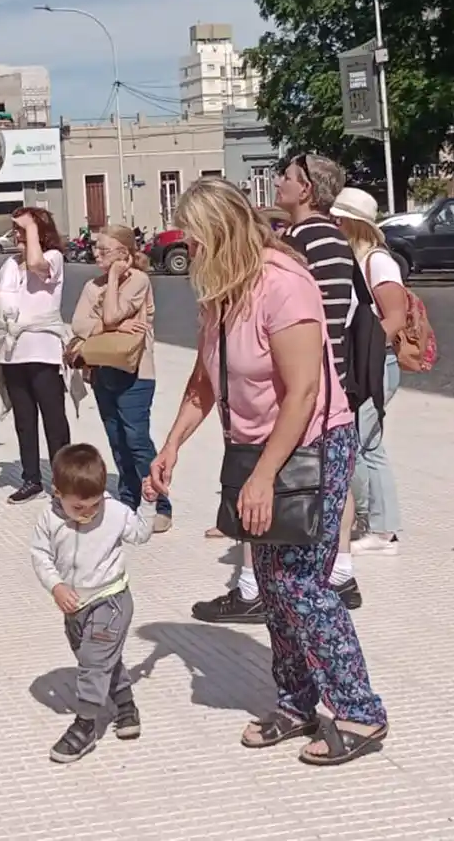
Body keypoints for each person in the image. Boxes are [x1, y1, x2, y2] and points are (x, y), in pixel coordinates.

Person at [147, 177, 387, 765]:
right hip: (255, 451)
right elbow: (205, 380)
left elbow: (303, 392)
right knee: (274, 589)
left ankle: (360, 711)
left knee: (304, 584)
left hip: (313, 447)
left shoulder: (284, 284)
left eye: (194, 238)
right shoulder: (220, 292)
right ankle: (296, 701)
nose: (187, 250)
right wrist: (171, 444)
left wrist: (264, 478)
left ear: (222, 232)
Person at [192, 152, 362, 623]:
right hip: (305, 393)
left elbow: (304, 336)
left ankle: (295, 586)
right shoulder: (322, 238)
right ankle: (335, 574)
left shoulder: (298, 250)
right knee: (291, 573)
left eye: (286, 176)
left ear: (307, 188)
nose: (278, 183)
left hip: (305, 403)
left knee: (297, 580)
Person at [29, 443, 153, 764]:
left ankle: (85, 725)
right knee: (98, 659)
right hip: (74, 606)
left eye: (95, 504)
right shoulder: (49, 518)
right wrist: (55, 586)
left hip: (111, 600)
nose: (88, 513)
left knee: (93, 661)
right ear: (57, 493)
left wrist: (149, 501)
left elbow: (140, 534)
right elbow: (40, 555)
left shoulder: (114, 512)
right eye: (79, 507)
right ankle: (125, 704)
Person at [68, 224, 170, 532]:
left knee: (137, 440)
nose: (97, 254)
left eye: (104, 249)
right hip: (102, 369)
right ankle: (129, 498)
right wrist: (110, 326)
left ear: (124, 253)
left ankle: (160, 504)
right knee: (116, 439)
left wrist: (113, 278)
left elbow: (111, 314)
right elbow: (78, 324)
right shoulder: (91, 286)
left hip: (136, 373)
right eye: (96, 248)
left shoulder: (138, 280)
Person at [330, 187, 409, 555]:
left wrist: (367, 354)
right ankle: (375, 522)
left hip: (376, 364)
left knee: (363, 444)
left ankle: (381, 528)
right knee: (364, 442)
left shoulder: (377, 262)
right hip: (362, 362)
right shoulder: (353, 258)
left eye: (337, 219)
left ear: (351, 223)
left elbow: (395, 316)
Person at [0, 206, 72, 504]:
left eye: (21, 228)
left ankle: (64, 481)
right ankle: (31, 478)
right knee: (24, 420)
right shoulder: (11, 264)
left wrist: (32, 228)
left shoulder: (53, 258)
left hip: (43, 351)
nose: (16, 233)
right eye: (16, 228)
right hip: (14, 352)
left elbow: (38, 264)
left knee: (54, 420)